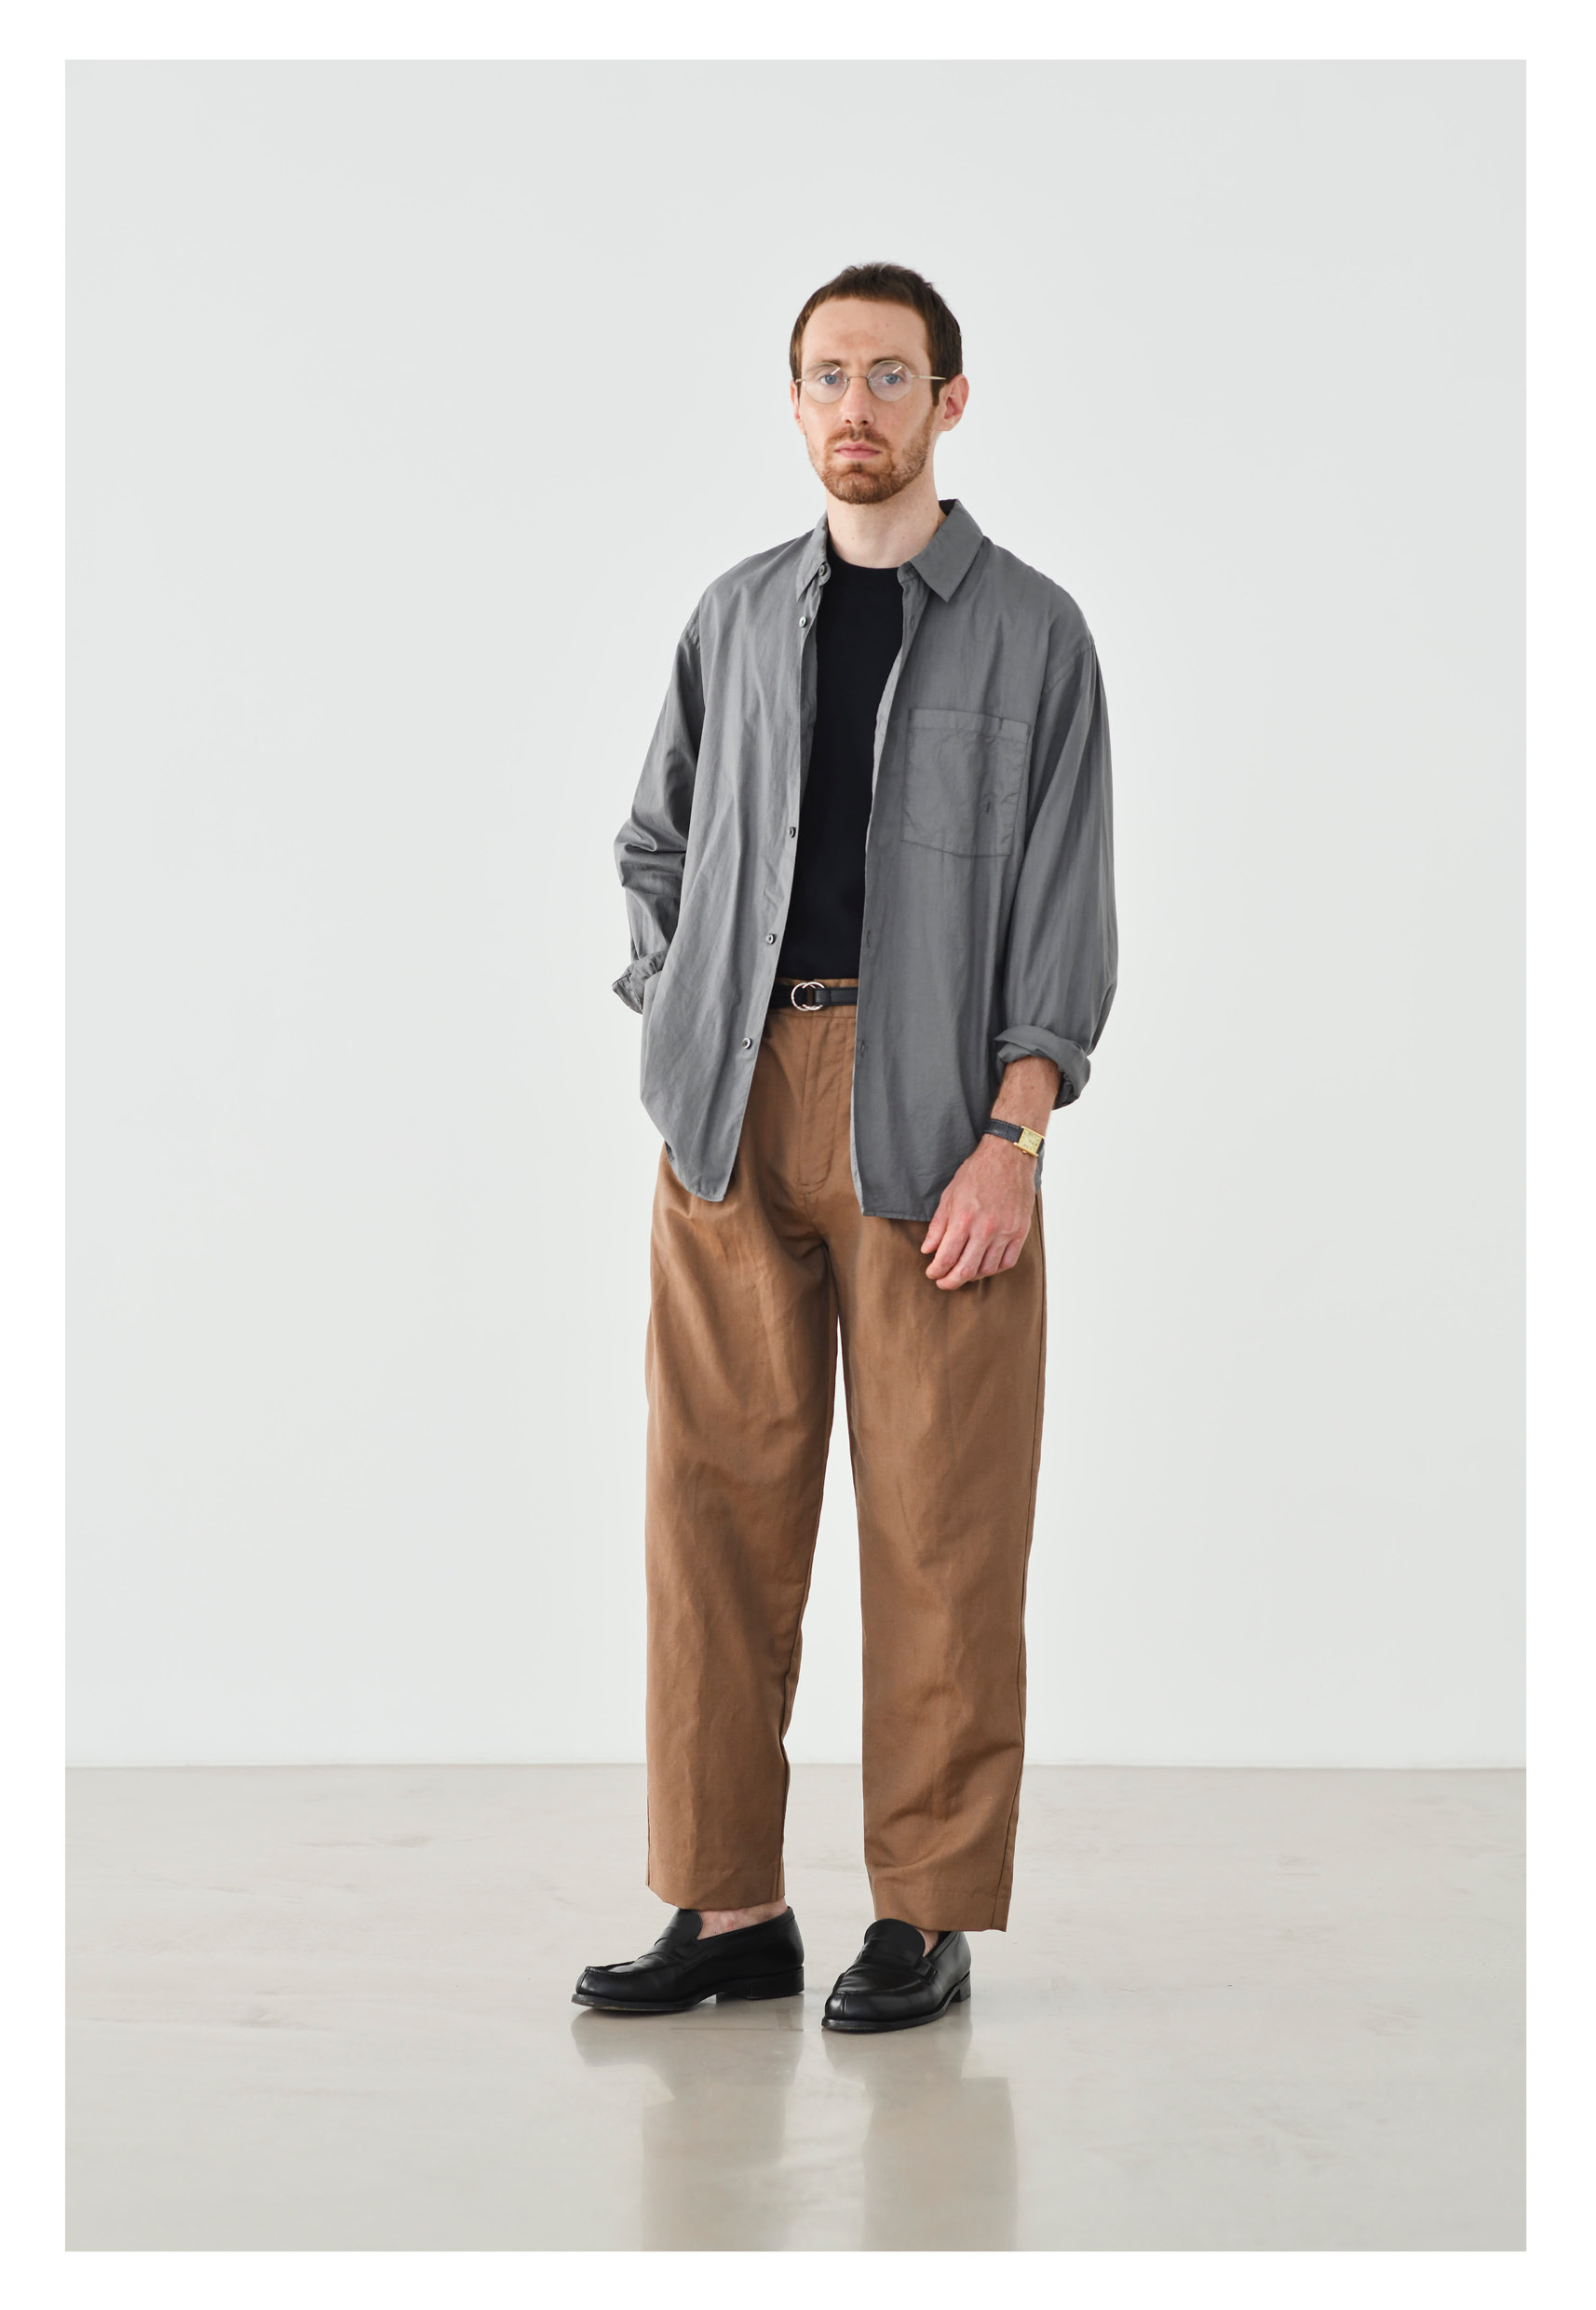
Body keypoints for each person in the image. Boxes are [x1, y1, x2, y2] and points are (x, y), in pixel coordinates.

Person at [575, 261, 1117, 2033]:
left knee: (943, 1525)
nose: (855, 406)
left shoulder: (1033, 634)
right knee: (710, 1518)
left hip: (933, 1120)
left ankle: (927, 1911)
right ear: (794, 400)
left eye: (890, 375)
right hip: (731, 1110)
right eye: (826, 374)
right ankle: (729, 1905)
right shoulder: (735, 616)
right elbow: (655, 845)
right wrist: (680, 1021)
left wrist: (1013, 1136)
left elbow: (1064, 910)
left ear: (949, 401)